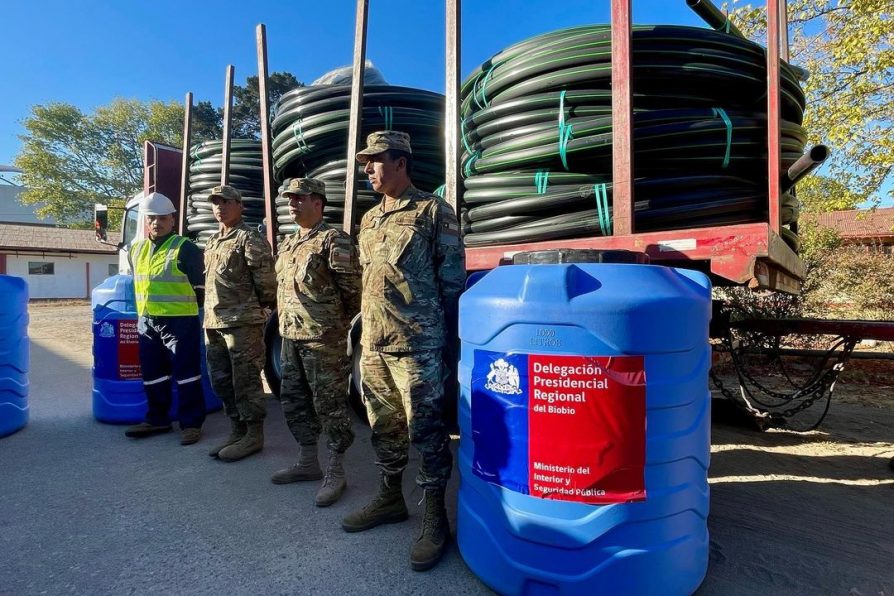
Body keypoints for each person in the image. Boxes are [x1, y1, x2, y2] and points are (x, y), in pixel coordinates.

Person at [341, 131, 464, 572]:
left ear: (401, 162)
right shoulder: (370, 220)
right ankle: (390, 498)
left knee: (427, 433)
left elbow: (452, 283)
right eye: (366, 162)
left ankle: (435, 520)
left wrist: (446, 345)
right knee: (383, 426)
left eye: (375, 161)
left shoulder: (434, 211)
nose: (368, 169)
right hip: (374, 343)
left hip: (417, 344)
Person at [272, 177, 360, 507]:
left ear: (318, 202)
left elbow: (353, 292)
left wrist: (332, 326)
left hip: (323, 341)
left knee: (330, 407)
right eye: (289, 199)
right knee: (293, 401)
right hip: (290, 338)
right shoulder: (289, 243)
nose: (292, 204)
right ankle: (308, 462)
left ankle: (336, 471)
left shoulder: (333, 240)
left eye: (300, 198)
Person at [124, 192, 206, 446]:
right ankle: (157, 418)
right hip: (147, 321)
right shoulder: (136, 250)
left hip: (180, 321)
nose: (156, 223)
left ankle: (191, 423)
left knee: (186, 373)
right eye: (151, 218)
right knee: (153, 373)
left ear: (172, 219)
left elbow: (200, 290)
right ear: (146, 221)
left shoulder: (186, 248)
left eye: (162, 218)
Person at [203, 185, 277, 462]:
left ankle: (253, 435)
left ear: (240, 205)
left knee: (245, 381)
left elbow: (267, 284)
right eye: (215, 203)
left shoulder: (250, 239)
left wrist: (262, 308)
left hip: (242, 323)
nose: (220, 207)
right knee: (221, 380)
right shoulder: (213, 241)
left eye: (226, 202)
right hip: (214, 322)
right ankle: (237, 430)